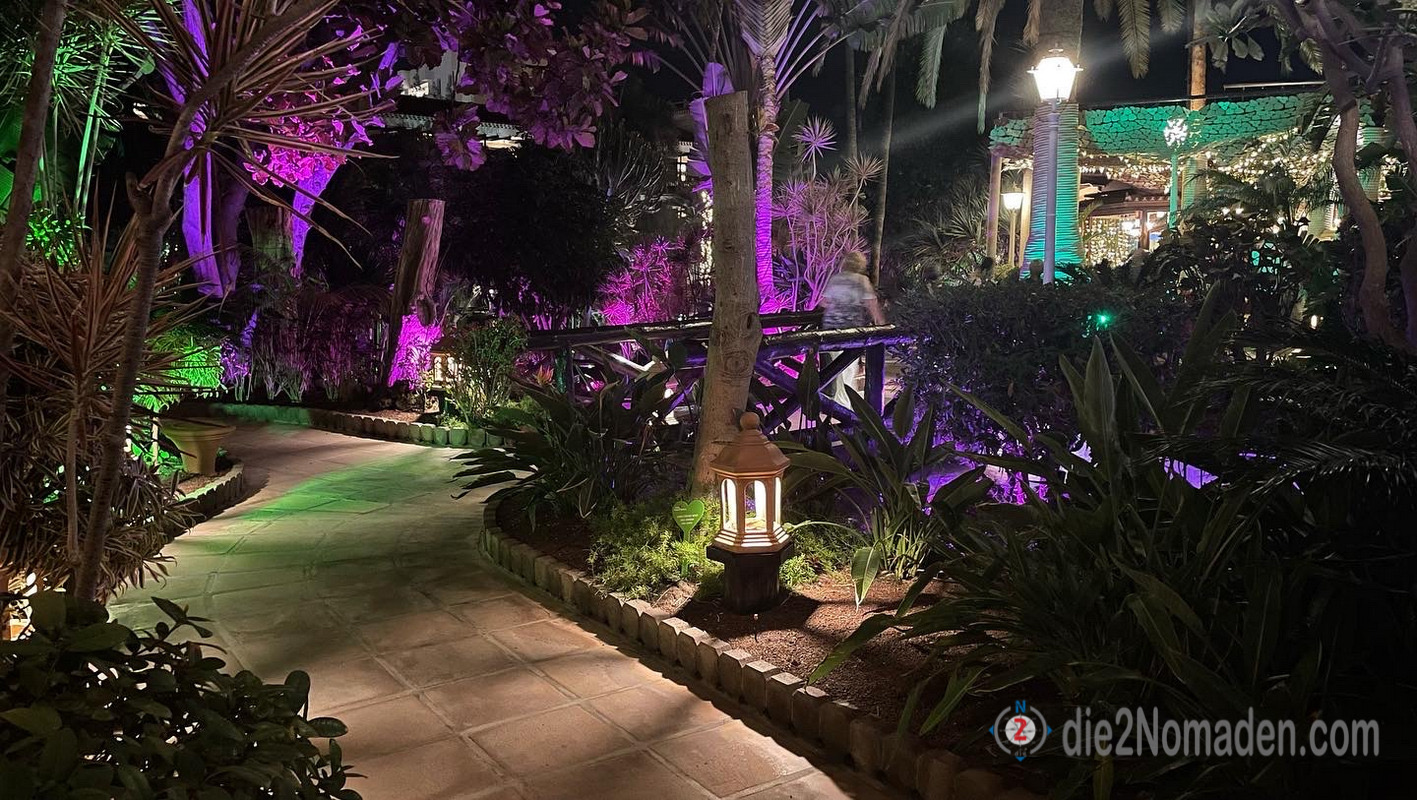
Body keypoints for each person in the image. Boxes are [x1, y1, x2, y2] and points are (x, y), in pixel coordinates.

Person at [818, 251, 885, 407]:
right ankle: (845, 405)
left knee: (836, 367)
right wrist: (881, 322)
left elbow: (823, 302)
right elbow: (872, 304)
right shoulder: (862, 280)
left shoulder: (835, 279)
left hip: (830, 328)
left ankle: (838, 402)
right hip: (850, 329)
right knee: (848, 367)